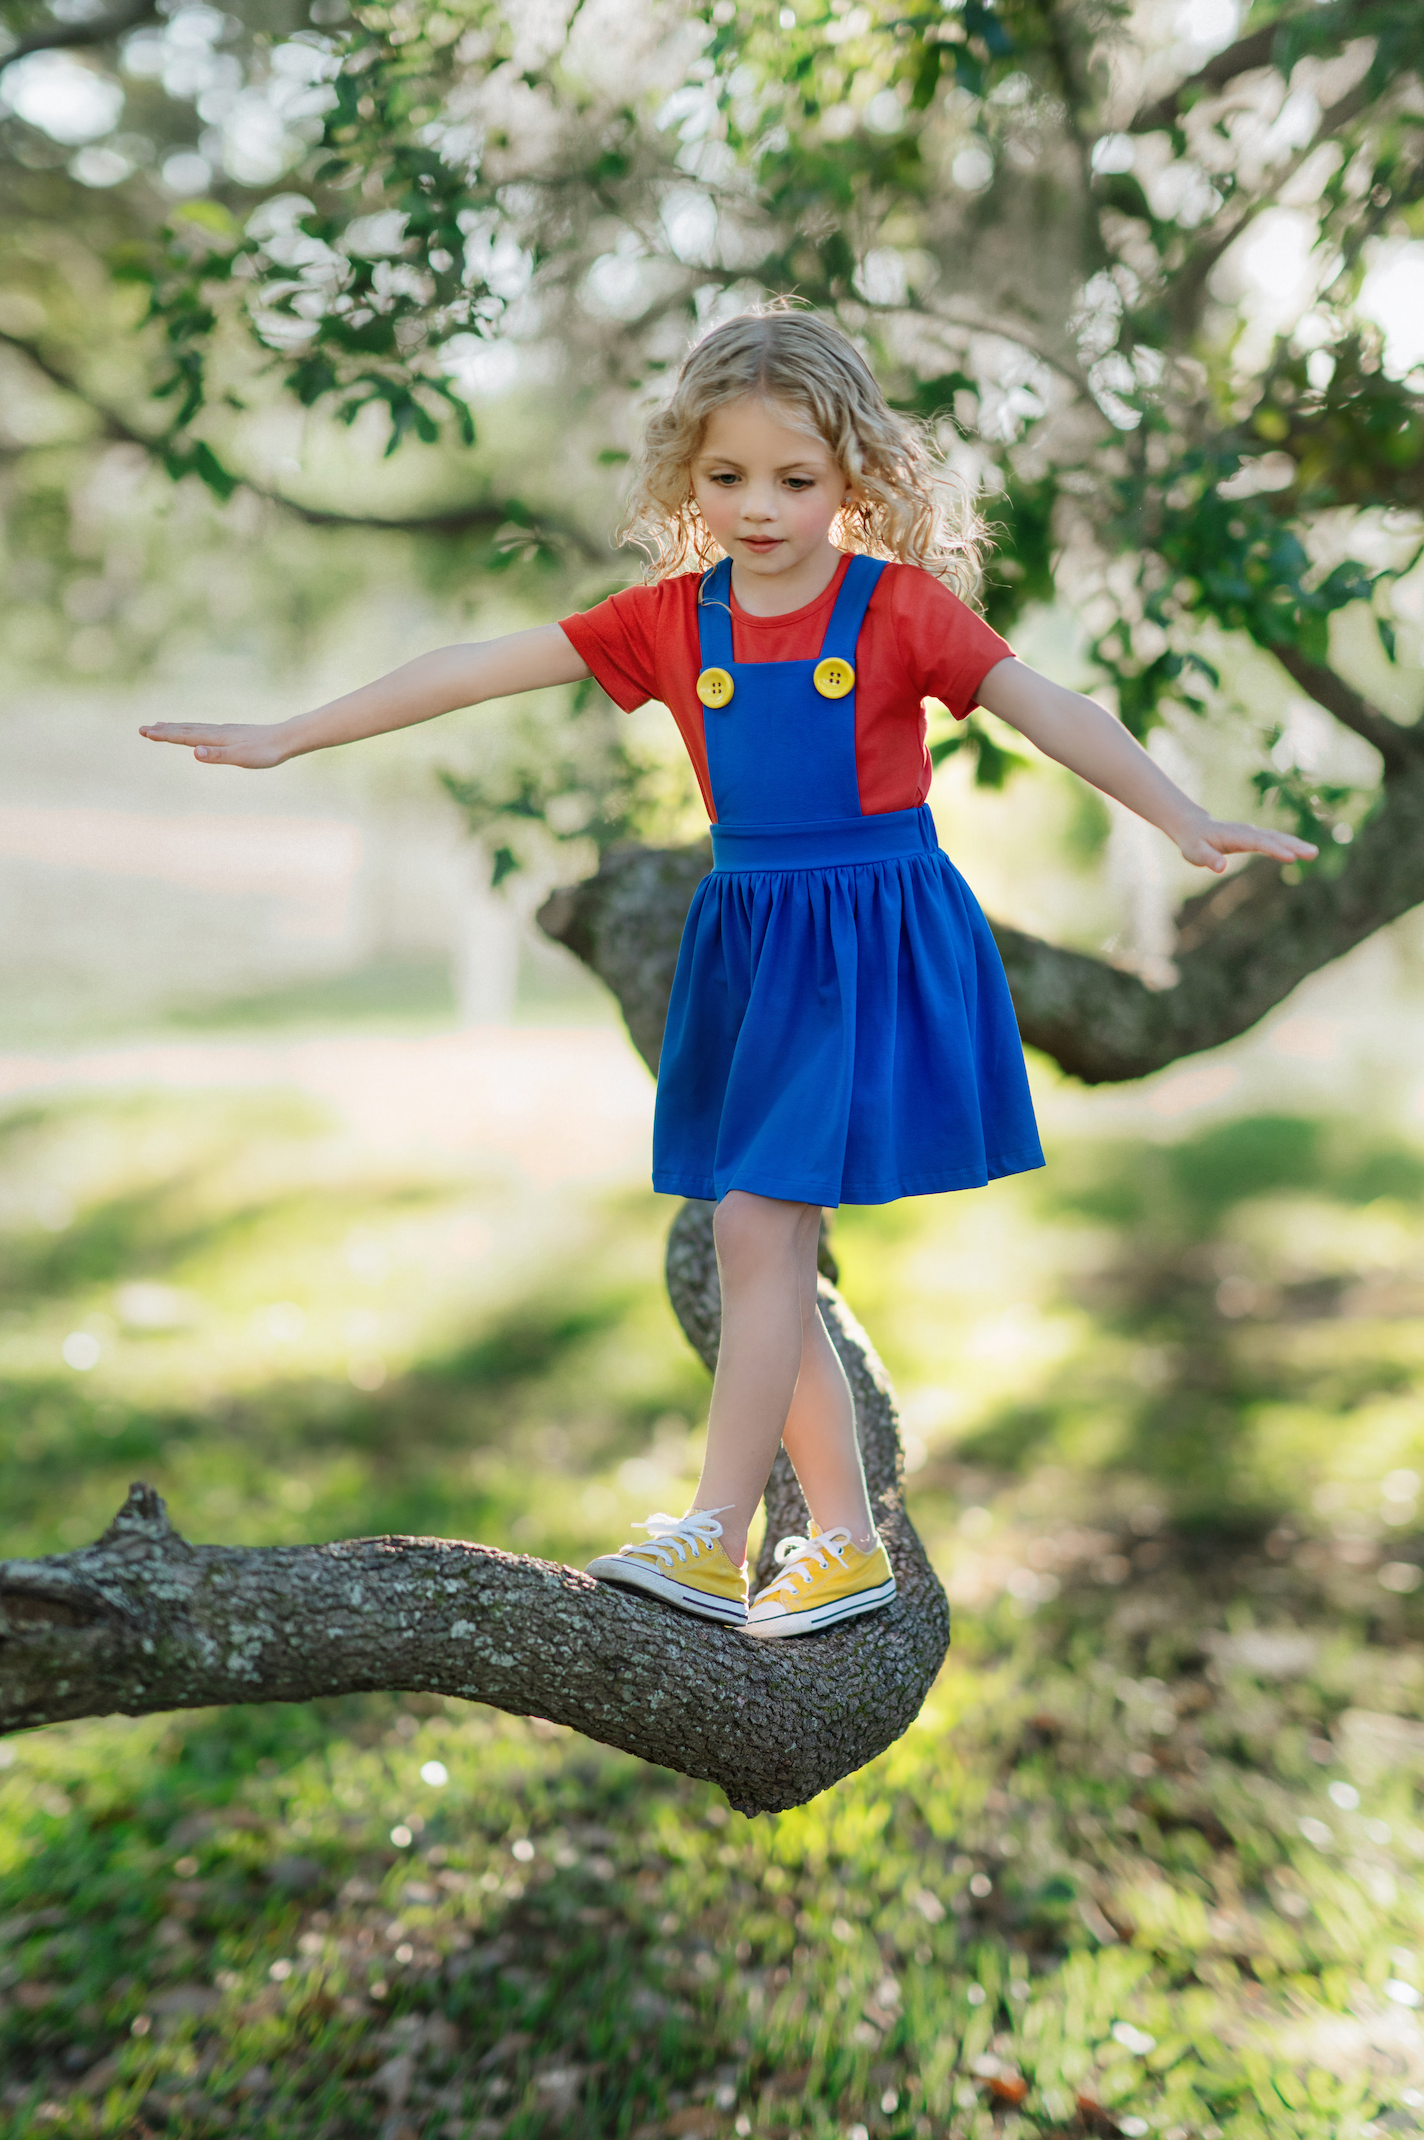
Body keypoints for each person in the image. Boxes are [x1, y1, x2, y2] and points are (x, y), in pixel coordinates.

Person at [141, 309, 1316, 1640]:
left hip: (867, 937)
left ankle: (719, 1528)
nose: (759, 508)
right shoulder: (670, 621)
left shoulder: (897, 609)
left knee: (755, 1234)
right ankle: (849, 1543)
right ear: (684, 478)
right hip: (753, 940)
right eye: (727, 478)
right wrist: (295, 733)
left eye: (795, 480)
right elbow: (477, 667)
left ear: (855, 480)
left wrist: (1177, 812)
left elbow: (1048, 705)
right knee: (763, 1245)